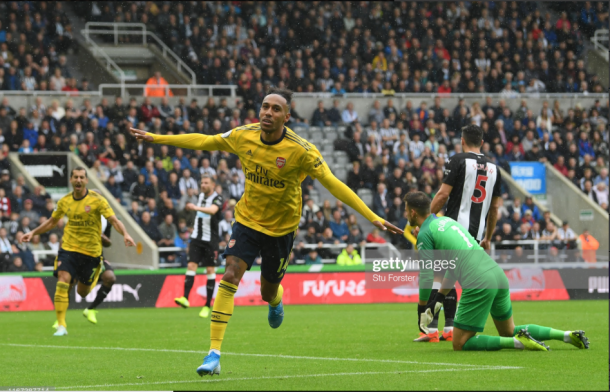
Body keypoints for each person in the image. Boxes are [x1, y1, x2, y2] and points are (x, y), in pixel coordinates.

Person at [130, 87, 402, 376]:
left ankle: (276, 300)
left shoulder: (302, 150)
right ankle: (214, 353)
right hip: (247, 221)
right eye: (264, 107)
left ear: (286, 116)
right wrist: (157, 138)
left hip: (281, 229)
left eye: (275, 109)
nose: (267, 113)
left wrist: (371, 216)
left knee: (267, 290)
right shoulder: (242, 135)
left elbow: (333, 184)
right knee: (230, 274)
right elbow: (206, 141)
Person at [406, 191, 589, 352]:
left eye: (407, 210)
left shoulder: (424, 234)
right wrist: (439, 297)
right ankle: (565, 335)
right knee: (508, 330)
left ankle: (519, 343)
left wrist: (422, 308)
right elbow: (454, 266)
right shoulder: (446, 221)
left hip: (478, 280)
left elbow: (427, 276)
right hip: (496, 273)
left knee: (460, 343)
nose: (406, 214)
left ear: (413, 212)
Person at [22, 167, 135, 336]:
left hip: (91, 254)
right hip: (69, 248)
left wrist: (125, 233)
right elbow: (52, 221)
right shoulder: (65, 200)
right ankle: (61, 325)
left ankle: (93, 278)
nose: (79, 180)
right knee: (63, 279)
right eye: (76, 177)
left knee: (83, 292)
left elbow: (114, 220)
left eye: (82, 177)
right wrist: (33, 232)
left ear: (86, 180)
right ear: (71, 180)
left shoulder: (98, 200)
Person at [421, 124, 503, 342]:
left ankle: (431, 331)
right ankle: (449, 328)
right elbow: (494, 208)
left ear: (462, 140)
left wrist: (426, 219)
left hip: (453, 232)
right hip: (475, 236)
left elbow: (442, 194)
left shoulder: (457, 160)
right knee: (453, 277)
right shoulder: (495, 168)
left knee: (439, 277)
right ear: (482, 142)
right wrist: (488, 237)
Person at [174, 174, 224, 318]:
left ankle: (207, 305)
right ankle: (185, 298)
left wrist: (195, 207)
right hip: (196, 238)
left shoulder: (217, 198)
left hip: (211, 241)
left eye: (206, 183)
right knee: (191, 266)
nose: (203, 185)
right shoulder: (200, 196)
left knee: (210, 270)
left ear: (212, 185)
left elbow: (213, 210)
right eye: (202, 183)